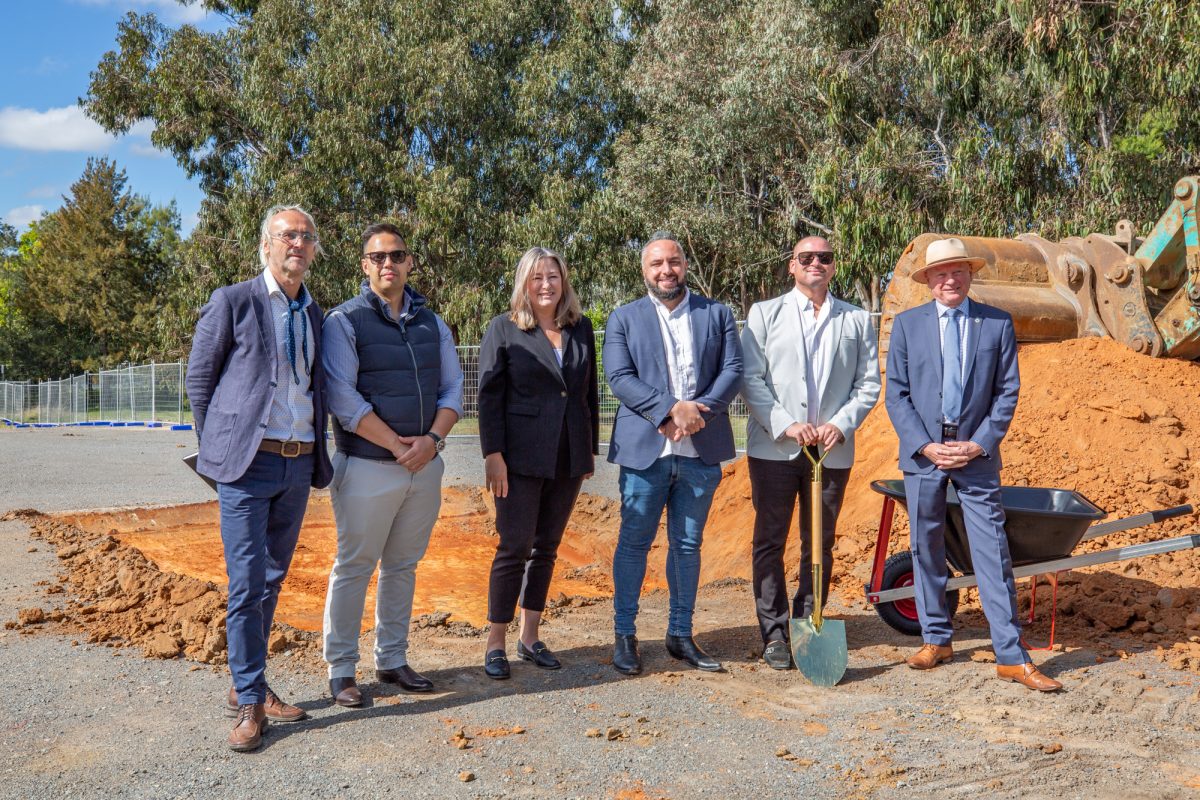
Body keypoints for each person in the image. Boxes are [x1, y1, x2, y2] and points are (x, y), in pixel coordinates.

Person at [186, 204, 333, 752]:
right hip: (247, 466)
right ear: (266, 246)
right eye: (286, 235)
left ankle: (248, 680)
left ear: (314, 250)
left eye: (306, 236)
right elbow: (200, 380)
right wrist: (222, 448)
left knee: (271, 579)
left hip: (298, 462)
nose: (297, 243)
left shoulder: (316, 314)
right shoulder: (235, 301)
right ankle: (251, 701)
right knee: (247, 582)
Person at [884, 236, 1061, 691]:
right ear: (927, 281)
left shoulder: (996, 324)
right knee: (926, 548)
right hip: (924, 454)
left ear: (969, 274)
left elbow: (1007, 393)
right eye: (940, 273)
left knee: (991, 552)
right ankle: (936, 639)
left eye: (958, 271)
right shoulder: (907, 325)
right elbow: (897, 394)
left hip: (975, 456)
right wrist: (925, 445)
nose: (950, 279)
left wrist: (979, 444)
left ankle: (1010, 655)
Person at [321, 222, 464, 707]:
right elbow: (342, 395)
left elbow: (453, 391)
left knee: (402, 566)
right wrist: (399, 446)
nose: (388, 263)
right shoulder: (344, 320)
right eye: (378, 256)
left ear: (409, 263)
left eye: (397, 255)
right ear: (365, 266)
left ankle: (392, 658)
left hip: (424, 468)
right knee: (355, 567)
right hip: (366, 466)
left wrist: (431, 441)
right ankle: (341, 669)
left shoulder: (433, 323)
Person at [602, 231, 743, 675]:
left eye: (674, 262)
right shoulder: (623, 318)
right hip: (647, 451)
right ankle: (625, 635)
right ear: (644, 271)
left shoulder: (716, 313)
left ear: (685, 265)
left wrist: (696, 413)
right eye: (656, 264)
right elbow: (619, 376)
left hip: (700, 451)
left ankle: (680, 635)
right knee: (634, 544)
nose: (667, 270)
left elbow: (733, 370)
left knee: (687, 544)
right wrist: (668, 410)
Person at [740, 236, 880, 670]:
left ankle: (809, 620)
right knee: (770, 540)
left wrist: (840, 424)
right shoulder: (764, 315)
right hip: (775, 448)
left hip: (831, 451)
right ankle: (775, 633)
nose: (815, 263)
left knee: (819, 541)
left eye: (824, 257)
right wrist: (785, 422)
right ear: (792, 266)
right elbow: (751, 377)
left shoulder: (856, 319)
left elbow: (869, 382)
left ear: (833, 267)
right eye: (807, 258)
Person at [476, 247, 600, 679]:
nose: (546, 285)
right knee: (514, 548)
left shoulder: (580, 328)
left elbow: (588, 396)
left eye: (553, 276)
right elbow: (488, 398)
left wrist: (588, 451)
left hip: (568, 457)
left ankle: (530, 637)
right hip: (519, 459)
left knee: (546, 548)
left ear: (563, 281)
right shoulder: (503, 329)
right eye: (537, 278)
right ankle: (495, 642)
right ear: (523, 284)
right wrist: (493, 455)